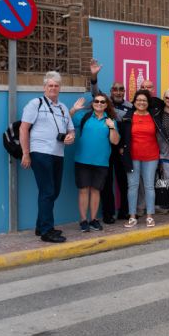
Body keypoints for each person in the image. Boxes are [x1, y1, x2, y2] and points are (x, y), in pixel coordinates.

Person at [20, 71, 76, 243]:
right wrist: (26, 153)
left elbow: (71, 130)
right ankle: (47, 231)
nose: (53, 88)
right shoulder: (35, 104)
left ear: (60, 88)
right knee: (47, 190)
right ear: (44, 87)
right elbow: (23, 129)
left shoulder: (63, 108)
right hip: (40, 152)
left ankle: (40, 225)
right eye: (50, 85)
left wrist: (70, 137)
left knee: (54, 191)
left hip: (58, 153)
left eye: (56, 85)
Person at [120, 90, 169, 228]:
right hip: (133, 157)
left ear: (148, 103)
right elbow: (123, 136)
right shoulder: (128, 117)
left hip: (151, 156)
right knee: (133, 187)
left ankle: (149, 216)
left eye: (144, 100)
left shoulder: (154, 116)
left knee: (149, 186)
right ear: (134, 101)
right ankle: (132, 216)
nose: (141, 102)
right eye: (139, 100)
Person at [90, 59, 133, 223]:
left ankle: (125, 211)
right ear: (111, 91)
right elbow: (95, 92)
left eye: (121, 89)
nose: (118, 91)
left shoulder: (130, 106)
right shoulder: (104, 103)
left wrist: (125, 147)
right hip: (106, 147)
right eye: (115, 89)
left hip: (121, 148)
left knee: (124, 181)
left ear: (124, 91)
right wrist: (94, 76)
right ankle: (108, 214)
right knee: (106, 181)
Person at [69, 93, 120, 232]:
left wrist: (112, 127)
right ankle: (83, 220)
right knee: (83, 190)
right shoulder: (84, 117)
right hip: (82, 161)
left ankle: (93, 219)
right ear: (92, 103)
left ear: (106, 105)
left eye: (102, 102)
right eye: (96, 101)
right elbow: (65, 121)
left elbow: (115, 141)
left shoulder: (110, 120)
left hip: (101, 162)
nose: (99, 103)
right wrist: (73, 110)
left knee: (96, 191)